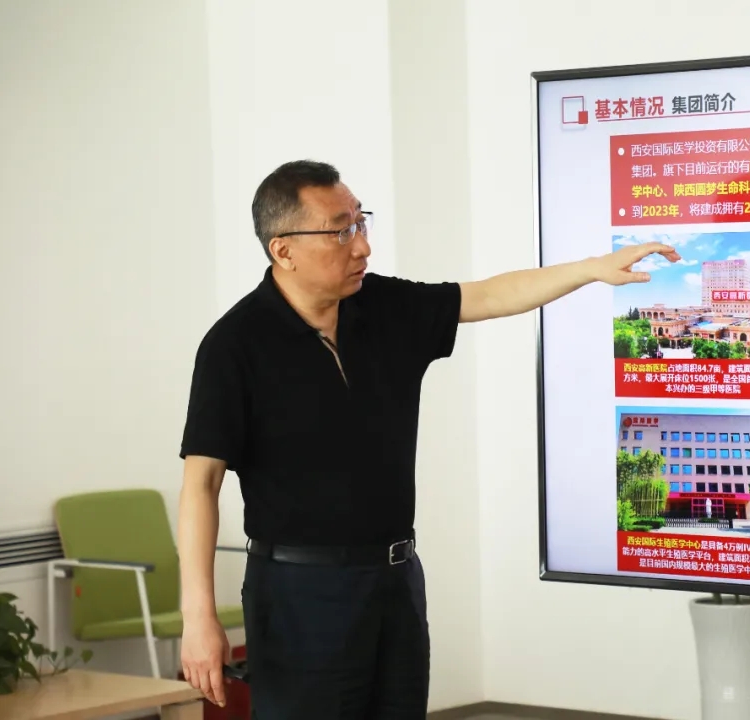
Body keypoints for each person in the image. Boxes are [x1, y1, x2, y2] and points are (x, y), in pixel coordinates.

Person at [175, 159, 679, 719]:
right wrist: (199, 616)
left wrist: (591, 269)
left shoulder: (382, 307)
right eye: (340, 232)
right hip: (298, 593)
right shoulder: (234, 346)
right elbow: (201, 484)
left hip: (395, 581)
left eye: (360, 223)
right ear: (283, 250)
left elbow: (489, 296)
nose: (362, 246)